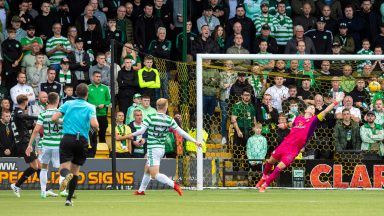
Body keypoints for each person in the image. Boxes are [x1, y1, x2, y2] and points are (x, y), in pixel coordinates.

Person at [255, 93, 344, 192]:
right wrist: (284, 126)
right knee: (270, 161)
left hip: (293, 150)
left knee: (279, 167)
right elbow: (291, 124)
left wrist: (337, 101)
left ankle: (265, 184)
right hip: (285, 144)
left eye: (313, 108)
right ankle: (264, 177)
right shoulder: (298, 119)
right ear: (306, 110)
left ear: (314, 113)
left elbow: (326, 111)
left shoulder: (313, 120)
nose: (312, 108)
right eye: (310, 107)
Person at [128, 98, 201, 196]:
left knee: (154, 174)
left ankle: (174, 185)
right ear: (166, 107)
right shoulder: (169, 119)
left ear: (156, 106)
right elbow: (181, 132)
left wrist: (128, 135)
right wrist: (194, 141)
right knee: (147, 169)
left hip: (153, 148)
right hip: (161, 149)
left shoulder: (150, 117)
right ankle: (141, 191)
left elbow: (141, 132)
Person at [52, 83, 99, 206]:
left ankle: (66, 176)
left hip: (68, 138)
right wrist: (97, 128)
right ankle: (68, 199)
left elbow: (54, 118)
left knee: (64, 169)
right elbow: (94, 124)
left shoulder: (68, 104)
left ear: (76, 93)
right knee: (76, 171)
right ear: (87, 94)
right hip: (82, 140)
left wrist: (62, 121)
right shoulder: (90, 107)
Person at [26, 92, 66, 198]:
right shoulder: (61, 113)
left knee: (44, 168)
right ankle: (63, 189)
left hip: (46, 145)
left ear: (48, 100)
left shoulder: (43, 114)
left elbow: (36, 130)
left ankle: (43, 191)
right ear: (57, 101)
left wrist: (30, 145)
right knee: (62, 168)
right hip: (58, 145)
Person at [10, 94, 39, 198]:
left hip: (24, 142)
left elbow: (23, 125)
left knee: (37, 165)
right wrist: (38, 116)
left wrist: (32, 125)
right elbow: (23, 116)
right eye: (28, 101)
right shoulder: (18, 112)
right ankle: (16, 185)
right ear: (25, 101)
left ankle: (45, 189)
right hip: (23, 143)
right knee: (35, 166)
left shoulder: (16, 113)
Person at [231, 89, 257, 171]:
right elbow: (233, 119)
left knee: (248, 152)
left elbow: (254, 119)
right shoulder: (237, 105)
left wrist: (255, 129)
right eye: (245, 95)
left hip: (249, 131)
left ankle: (246, 172)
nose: (247, 97)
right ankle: (235, 172)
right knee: (237, 152)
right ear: (242, 96)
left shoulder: (251, 106)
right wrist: (238, 131)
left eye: (248, 95)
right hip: (240, 130)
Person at [88, 71, 111, 144]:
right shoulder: (88, 87)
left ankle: (103, 150)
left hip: (102, 114)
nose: (98, 78)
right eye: (97, 76)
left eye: (100, 77)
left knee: (102, 135)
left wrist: (104, 104)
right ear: (93, 77)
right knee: (91, 135)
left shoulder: (105, 88)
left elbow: (109, 100)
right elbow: (84, 101)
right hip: (91, 115)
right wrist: (91, 106)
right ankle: (91, 152)